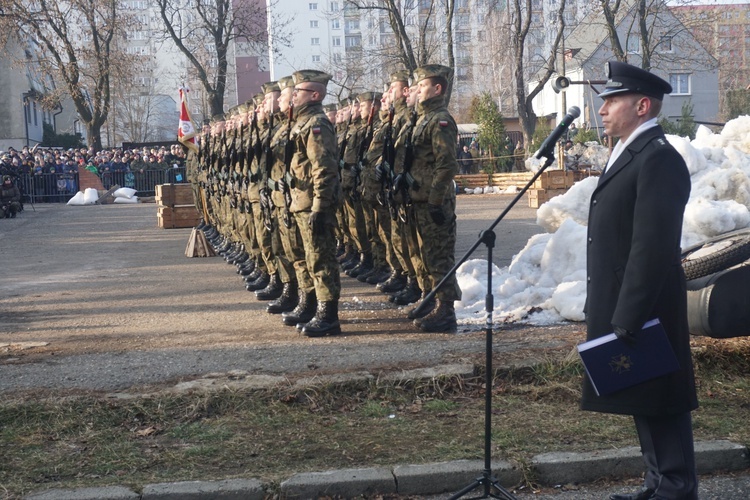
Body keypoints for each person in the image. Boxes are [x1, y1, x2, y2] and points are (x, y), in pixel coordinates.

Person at [584, 61, 698, 500]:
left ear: (642, 105)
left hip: (647, 306)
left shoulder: (658, 159)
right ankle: (658, 483)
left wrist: (627, 316)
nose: (603, 109)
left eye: (612, 100)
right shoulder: (631, 152)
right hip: (627, 303)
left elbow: (652, 247)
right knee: (643, 395)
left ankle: (675, 487)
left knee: (662, 400)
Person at [405, 64, 461, 333]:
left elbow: (446, 164)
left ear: (437, 88)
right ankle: (430, 300)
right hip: (420, 198)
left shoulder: (441, 120)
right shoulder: (422, 119)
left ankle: (446, 310)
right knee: (425, 254)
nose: (417, 90)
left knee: (439, 256)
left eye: (422, 85)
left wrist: (436, 201)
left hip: (433, 201)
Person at [289, 69, 342, 337]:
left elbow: (324, 168)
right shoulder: (301, 123)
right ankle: (311, 304)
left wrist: (321, 205)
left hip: (313, 203)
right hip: (301, 201)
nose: (294, 95)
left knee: (321, 258)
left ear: (315, 95)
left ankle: (328, 315)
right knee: (307, 257)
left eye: (299, 91)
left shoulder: (317, 124)